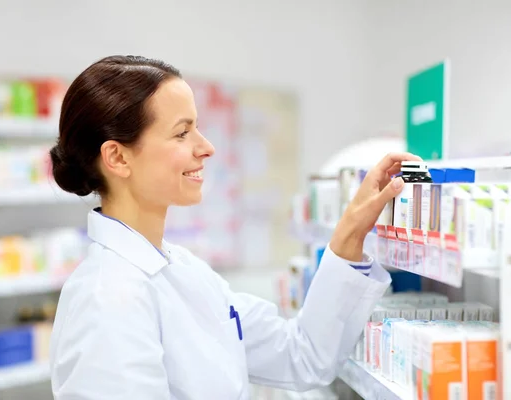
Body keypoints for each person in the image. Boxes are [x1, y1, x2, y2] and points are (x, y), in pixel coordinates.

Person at [48, 55, 421, 400]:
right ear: (117, 156)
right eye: (182, 133)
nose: (206, 147)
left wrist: (350, 232)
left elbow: (301, 355)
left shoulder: (183, 270)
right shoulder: (107, 298)